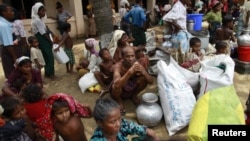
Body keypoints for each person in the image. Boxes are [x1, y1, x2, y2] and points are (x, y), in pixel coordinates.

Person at [90, 97, 159, 141]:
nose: (118, 124)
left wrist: (153, 137)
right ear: (100, 123)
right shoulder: (97, 139)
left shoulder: (122, 124)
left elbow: (147, 131)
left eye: (119, 118)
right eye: (113, 122)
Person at [110, 46, 153, 114]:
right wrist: (129, 72)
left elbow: (151, 81)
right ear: (123, 57)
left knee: (143, 79)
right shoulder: (118, 66)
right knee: (115, 86)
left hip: (131, 85)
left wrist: (143, 72)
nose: (130, 59)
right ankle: (119, 100)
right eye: (127, 56)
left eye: (132, 56)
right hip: (120, 88)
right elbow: (116, 85)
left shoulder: (136, 64)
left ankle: (134, 95)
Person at [31, 2, 56, 80]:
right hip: (43, 39)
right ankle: (51, 74)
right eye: (42, 11)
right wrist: (50, 41)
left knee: (46, 56)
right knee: (49, 56)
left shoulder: (38, 19)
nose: (44, 13)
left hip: (42, 39)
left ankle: (47, 73)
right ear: (37, 11)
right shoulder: (37, 20)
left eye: (44, 11)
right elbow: (43, 33)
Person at [0, 4, 18, 79]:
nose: (13, 12)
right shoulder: (4, 25)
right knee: (12, 73)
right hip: (8, 51)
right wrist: (15, 58)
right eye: (10, 11)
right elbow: (8, 44)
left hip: (6, 49)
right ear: (4, 13)